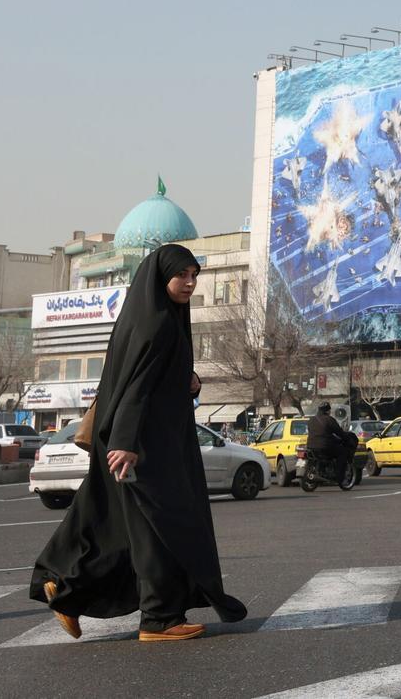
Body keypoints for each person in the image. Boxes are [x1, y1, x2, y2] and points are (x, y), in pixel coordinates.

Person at [30, 244, 246, 643]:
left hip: (137, 442)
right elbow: (137, 387)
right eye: (182, 275)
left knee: (116, 528)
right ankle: (159, 620)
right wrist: (128, 442)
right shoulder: (159, 324)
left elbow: (147, 378)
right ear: (161, 276)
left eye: (194, 275)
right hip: (147, 448)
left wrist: (189, 378)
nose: (190, 283)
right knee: (162, 531)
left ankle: (64, 590)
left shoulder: (143, 317)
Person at [306, 402, 354, 478]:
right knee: (343, 452)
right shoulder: (329, 419)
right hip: (324, 446)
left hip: (310, 446)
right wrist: (347, 438)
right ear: (327, 411)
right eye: (329, 410)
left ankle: (324, 470)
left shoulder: (311, 420)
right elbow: (339, 432)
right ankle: (339, 475)